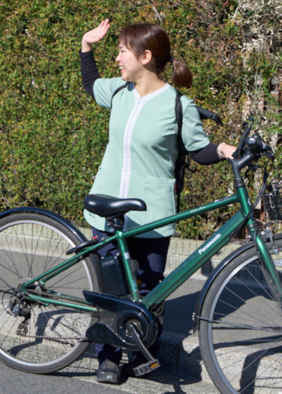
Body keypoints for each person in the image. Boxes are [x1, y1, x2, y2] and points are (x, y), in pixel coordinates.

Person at [79, 19, 235, 384]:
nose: (117, 57)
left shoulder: (178, 105)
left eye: (121, 50)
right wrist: (86, 46)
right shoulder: (118, 91)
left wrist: (224, 148)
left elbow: (199, 150)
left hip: (153, 213)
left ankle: (142, 353)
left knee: (150, 289)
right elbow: (90, 84)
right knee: (110, 291)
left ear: (144, 56)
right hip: (107, 208)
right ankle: (108, 357)